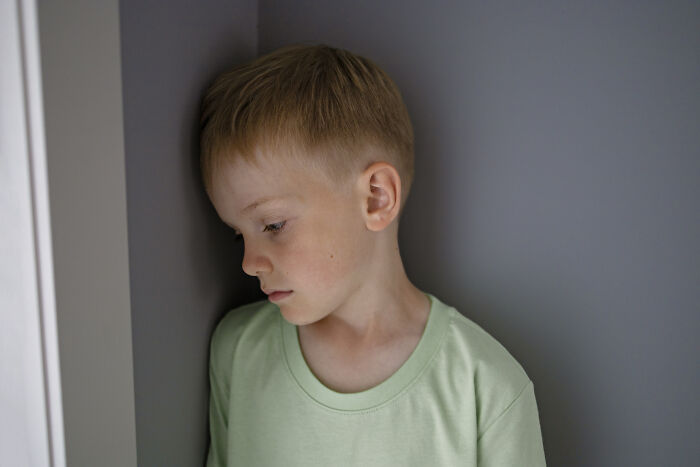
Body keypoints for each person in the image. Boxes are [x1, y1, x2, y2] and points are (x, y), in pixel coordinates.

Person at [199, 43, 546, 466]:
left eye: (273, 225)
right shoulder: (237, 353)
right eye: (239, 235)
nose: (249, 263)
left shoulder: (485, 389)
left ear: (377, 199)